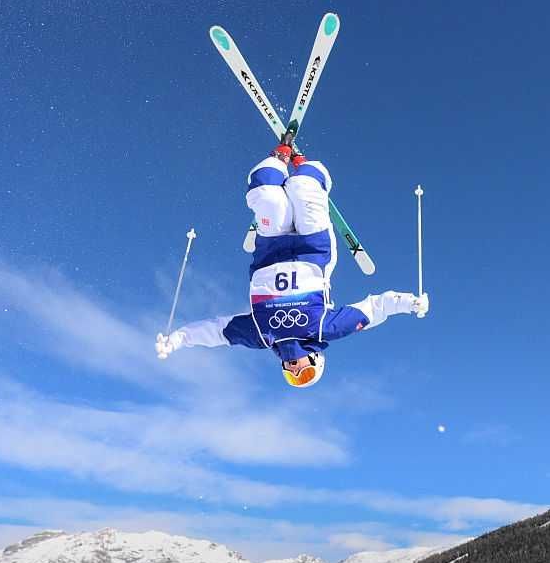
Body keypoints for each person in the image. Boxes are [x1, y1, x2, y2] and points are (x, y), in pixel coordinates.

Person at [155, 144, 429, 388]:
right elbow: (374, 309)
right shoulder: (325, 328)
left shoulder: (261, 335)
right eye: (305, 374)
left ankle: (279, 157)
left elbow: (217, 332)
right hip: (314, 250)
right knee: (303, 189)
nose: (295, 371)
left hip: (270, 250)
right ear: (316, 359)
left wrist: (178, 339)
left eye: (292, 377)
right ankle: (303, 164)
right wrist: (410, 303)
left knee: (267, 197)